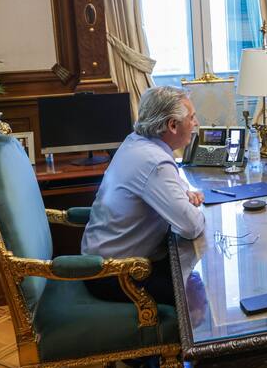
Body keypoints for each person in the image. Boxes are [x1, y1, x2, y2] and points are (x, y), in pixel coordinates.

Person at [82, 86, 205, 306]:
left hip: (102, 260)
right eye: (192, 118)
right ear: (172, 125)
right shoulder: (154, 162)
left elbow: (168, 183)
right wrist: (194, 208)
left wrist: (181, 193)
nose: (195, 123)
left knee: (192, 272)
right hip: (116, 274)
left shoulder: (136, 142)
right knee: (199, 299)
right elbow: (190, 226)